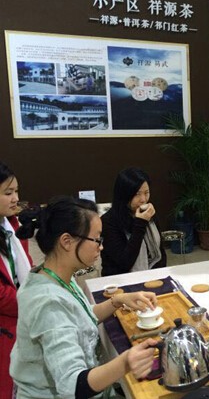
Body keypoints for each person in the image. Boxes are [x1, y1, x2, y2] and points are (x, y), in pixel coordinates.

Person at [10, 196, 158, 398]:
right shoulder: (47, 302)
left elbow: (80, 317)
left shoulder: (56, 275)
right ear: (67, 241)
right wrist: (125, 362)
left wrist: (117, 301)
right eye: (97, 239)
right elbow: (72, 385)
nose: (101, 246)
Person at [0, 162, 33, 399]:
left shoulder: (13, 225)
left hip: (21, 314)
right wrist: (32, 301)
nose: (16, 199)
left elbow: (26, 267)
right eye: (8, 193)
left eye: (17, 191)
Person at [101, 167, 166, 276]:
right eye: (137, 194)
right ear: (124, 195)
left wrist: (160, 275)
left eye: (146, 193)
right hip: (120, 279)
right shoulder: (108, 221)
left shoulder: (148, 212)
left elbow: (161, 253)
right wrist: (140, 223)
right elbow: (125, 263)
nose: (143, 199)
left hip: (152, 275)